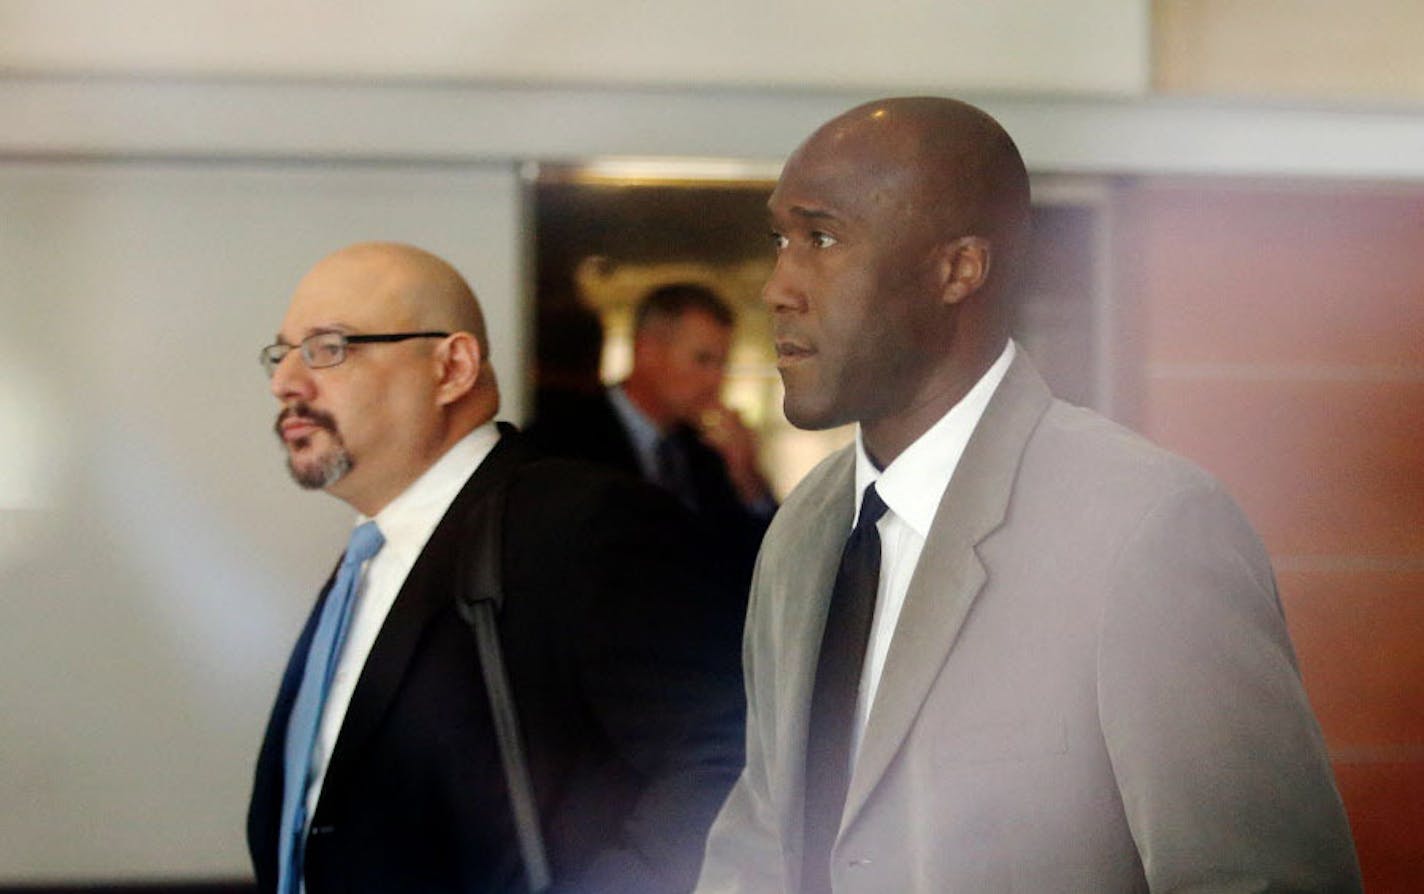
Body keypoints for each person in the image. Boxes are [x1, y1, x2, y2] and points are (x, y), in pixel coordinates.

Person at [695, 98, 1362, 892]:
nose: (778, 287)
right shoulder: (804, 531)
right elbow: (764, 841)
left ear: (958, 270)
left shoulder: (1145, 527)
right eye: (781, 239)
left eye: (823, 238)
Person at [247, 242, 745, 894]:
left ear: (451, 367)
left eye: (328, 349)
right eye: (282, 354)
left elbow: (719, 773)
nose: (287, 381)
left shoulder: (584, 524)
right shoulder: (372, 554)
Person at [527, 283, 774, 591]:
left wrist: (748, 478)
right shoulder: (563, 437)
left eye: (722, 364)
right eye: (702, 360)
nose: (716, 379)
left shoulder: (709, 452)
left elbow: (761, 571)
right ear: (647, 351)